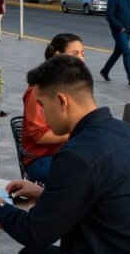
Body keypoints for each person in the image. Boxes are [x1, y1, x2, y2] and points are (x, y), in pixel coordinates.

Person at [0, 56, 130, 254]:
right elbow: (102, 197)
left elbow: (35, 233)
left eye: (42, 105)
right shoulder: (128, 132)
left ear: (61, 101)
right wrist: (44, 194)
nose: (43, 116)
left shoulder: (76, 155)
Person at [21, 34, 83, 184]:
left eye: (83, 54)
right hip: (41, 160)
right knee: (82, 177)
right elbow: (40, 137)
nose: (81, 59)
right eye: (75, 54)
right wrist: (73, 135)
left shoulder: (73, 86)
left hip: (67, 153)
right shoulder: (39, 90)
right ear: (57, 55)